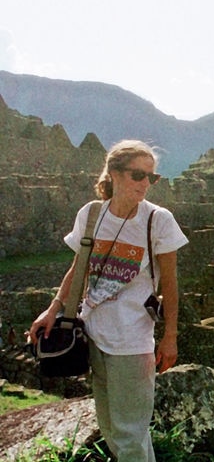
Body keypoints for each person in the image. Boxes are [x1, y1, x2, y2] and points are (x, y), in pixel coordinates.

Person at [28, 140, 188, 461]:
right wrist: (53, 308)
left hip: (132, 341)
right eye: (138, 176)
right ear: (113, 174)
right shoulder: (91, 214)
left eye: (151, 178)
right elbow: (78, 268)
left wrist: (170, 336)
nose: (146, 184)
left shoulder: (158, 220)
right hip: (94, 334)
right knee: (112, 428)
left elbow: (169, 285)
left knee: (130, 433)